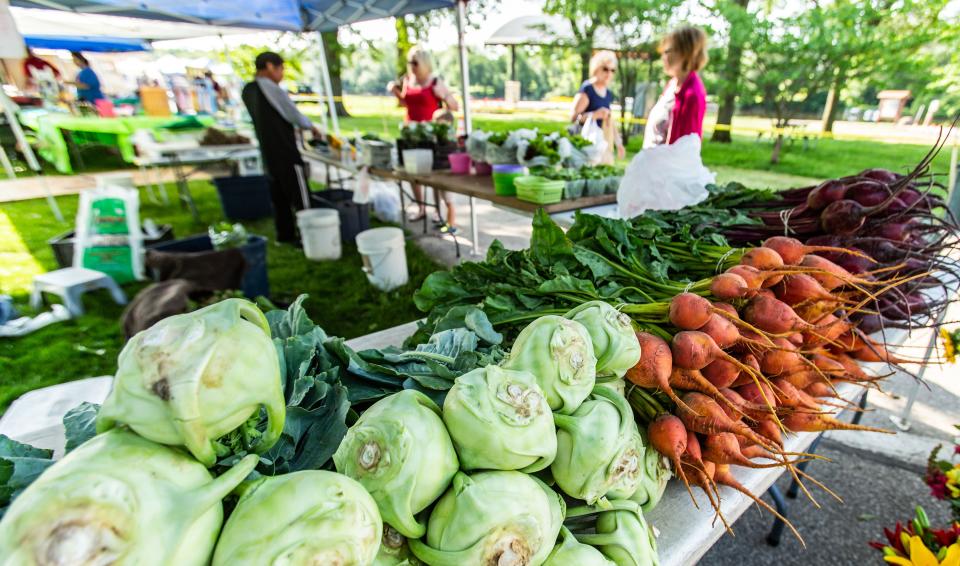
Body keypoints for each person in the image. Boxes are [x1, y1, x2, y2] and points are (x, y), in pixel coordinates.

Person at [242, 51, 322, 245]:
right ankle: (309, 238)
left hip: (268, 153)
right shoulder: (269, 87)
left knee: (279, 197)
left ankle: (284, 236)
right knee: (300, 196)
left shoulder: (248, 89)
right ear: (270, 66)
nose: (282, 74)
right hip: (285, 152)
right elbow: (291, 113)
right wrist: (311, 127)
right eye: (281, 69)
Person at [387, 46, 460, 232]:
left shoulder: (435, 81)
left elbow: (454, 105)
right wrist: (396, 91)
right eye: (409, 62)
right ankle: (421, 207)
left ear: (424, 63)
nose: (411, 66)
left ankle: (437, 211)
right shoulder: (408, 80)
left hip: (430, 134)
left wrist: (443, 96)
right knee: (412, 173)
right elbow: (405, 102)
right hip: (411, 133)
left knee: (431, 173)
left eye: (415, 62)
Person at [643, 26, 709, 149]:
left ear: (685, 52)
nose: (663, 57)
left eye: (667, 51)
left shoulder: (692, 94)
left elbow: (683, 150)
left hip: (668, 166)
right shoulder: (672, 85)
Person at [570, 50, 625, 163]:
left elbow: (610, 120)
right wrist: (593, 115)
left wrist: (618, 143)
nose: (609, 73)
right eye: (605, 69)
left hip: (603, 142)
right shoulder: (587, 89)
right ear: (596, 68)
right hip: (587, 144)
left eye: (612, 70)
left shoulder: (608, 93)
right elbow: (574, 118)